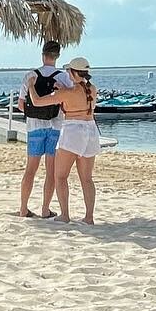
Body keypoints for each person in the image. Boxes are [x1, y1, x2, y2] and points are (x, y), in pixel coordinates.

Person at [16, 39, 73, 216]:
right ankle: (45, 209)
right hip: (55, 126)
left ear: (43, 55)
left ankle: (23, 208)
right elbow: (69, 102)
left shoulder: (30, 75)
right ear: (58, 56)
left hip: (34, 127)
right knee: (51, 171)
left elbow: (20, 105)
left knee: (30, 170)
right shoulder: (63, 77)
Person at [48, 56, 101, 223]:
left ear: (73, 72)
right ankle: (89, 217)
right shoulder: (92, 89)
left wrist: (30, 87)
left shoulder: (68, 93)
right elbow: (79, 96)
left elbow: (38, 101)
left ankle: (65, 215)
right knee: (87, 178)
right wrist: (64, 90)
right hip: (90, 130)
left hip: (73, 131)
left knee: (60, 176)